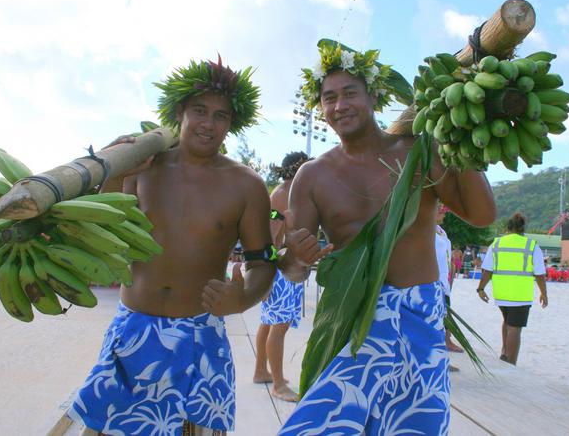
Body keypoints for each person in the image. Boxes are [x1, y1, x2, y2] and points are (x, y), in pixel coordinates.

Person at [276, 44, 496, 435]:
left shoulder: (421, 151)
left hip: (419, 314)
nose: (340, 105)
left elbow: (481, 215)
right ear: (320, 108)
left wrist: (459, 139)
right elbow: (294, 269)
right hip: (351, 317)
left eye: (350, 93)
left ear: (374, 97)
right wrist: (295, 256)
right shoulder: (312, 176)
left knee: (415, 427)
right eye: (329, 98)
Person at [68, 57, 276, 436]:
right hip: (132, 329)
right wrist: (116, 169)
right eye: (200, 111)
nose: (209, 124)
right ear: (180, 112)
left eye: (221, 116)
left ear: (232, 124)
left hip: (199, 337)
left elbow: (264, 262)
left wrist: (242, 298)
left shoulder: (246, 184)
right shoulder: (143, 167)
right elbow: (101, 225)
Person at [253, 151, 310, 402]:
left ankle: (261, 371)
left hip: (280, 267)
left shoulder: (284, 192)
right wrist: (270, 271)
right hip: (280, 269)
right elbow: (271, 235)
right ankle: (278, 384)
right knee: (280, 324)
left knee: (269, 322)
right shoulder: (282, 195)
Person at [476, 213, 548, 366]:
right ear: (523, 228)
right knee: (515, 328)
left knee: (507, 321)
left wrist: (481, 288)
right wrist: (543, 293)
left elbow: (487, 270)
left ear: (507, 227)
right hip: (520, 294)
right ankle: (510, 362)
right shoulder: (531, 245)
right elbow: (540, 274)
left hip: (501, 292)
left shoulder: (496, 244)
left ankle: (504, 351)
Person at [436, 204, 463, 356]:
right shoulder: (428, 232)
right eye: (441, 211)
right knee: (438, 319)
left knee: (445, 314)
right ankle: (443, 347)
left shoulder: (442, 233)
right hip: (434, 281)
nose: (444, 214)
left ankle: (447, 341)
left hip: (443, 281)